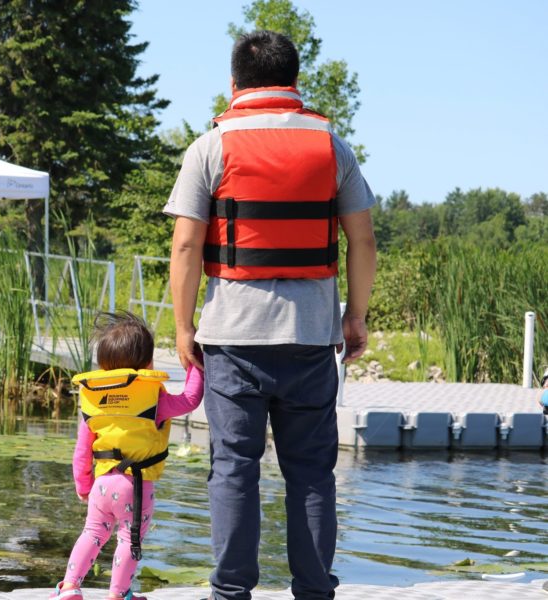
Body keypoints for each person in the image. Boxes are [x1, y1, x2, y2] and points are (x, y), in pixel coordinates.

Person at [166, 30, 377, 600]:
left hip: (233, 340)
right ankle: (314, 591)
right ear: (294, 83)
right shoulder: (333, 146)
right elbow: (363, 240)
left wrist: (184, 327)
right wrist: (354, 317)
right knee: (311, 473)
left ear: (234, 85)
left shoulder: (209, 148)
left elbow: (186, 246)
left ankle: (230, 593)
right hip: (310, 339)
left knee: (234, 469)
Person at [50, 311, 205, 600]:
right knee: (128, 539)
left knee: (92, 534)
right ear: (148, 364)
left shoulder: (94, 401)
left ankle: (70, 585)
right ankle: (118, 595)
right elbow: (191, 399)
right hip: (136, 488)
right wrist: (195, 362)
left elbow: (82, 451)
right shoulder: (153, 400)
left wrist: (83, 485)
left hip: (101, 485)